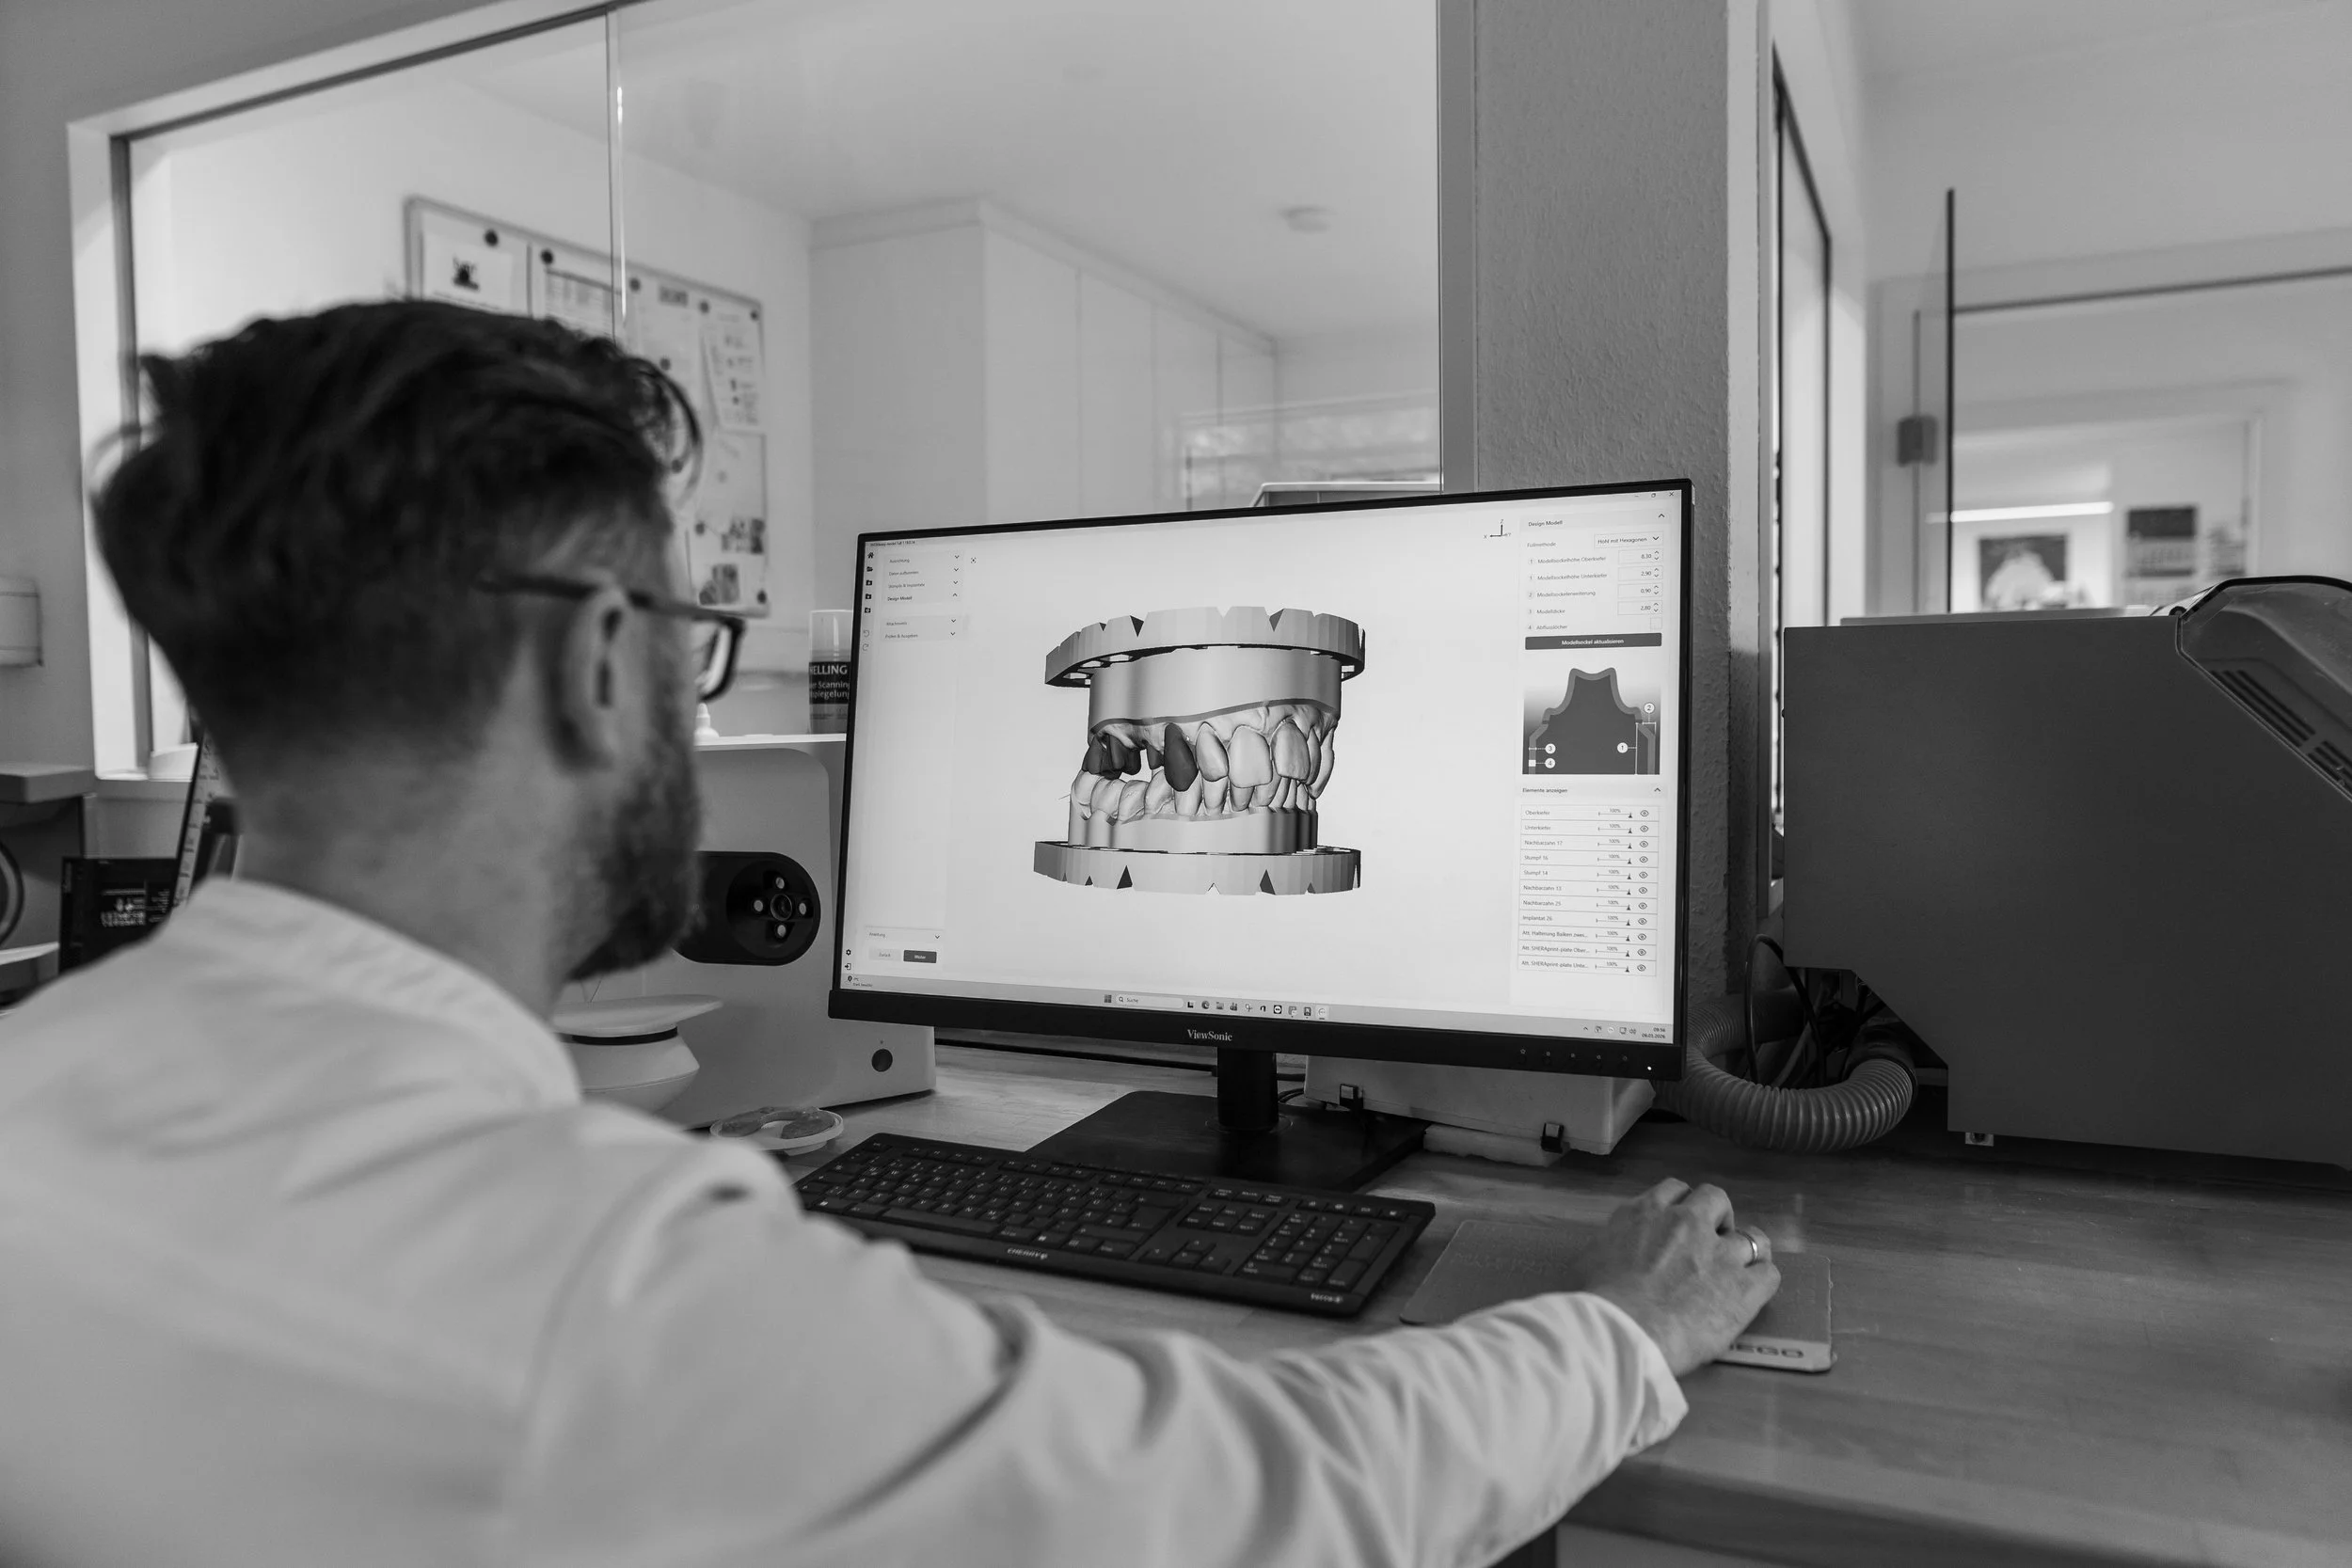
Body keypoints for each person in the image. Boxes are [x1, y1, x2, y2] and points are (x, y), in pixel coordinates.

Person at [0, 301, 1777, 1567]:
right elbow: (1254, 1499)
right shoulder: (593, 1288)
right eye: (691, 642)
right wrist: (1617, 1328)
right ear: (597, 661)